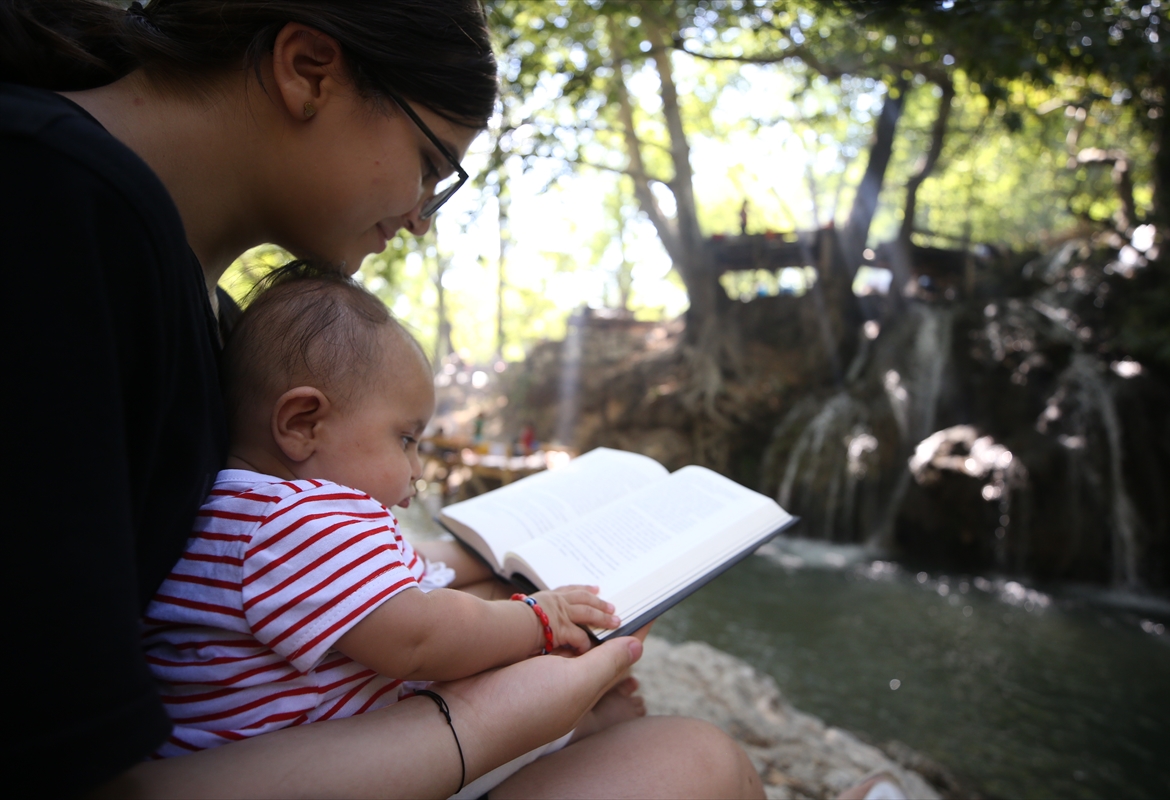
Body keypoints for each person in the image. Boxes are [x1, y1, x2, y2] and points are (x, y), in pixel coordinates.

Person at [3, 1, 764, 797]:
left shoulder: (199, 299)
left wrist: (462, 569)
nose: (421, 221)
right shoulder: (47, 206)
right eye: (432, 167)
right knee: (696, 765)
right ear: (308, 71)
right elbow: (65, 767)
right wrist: (490, 719)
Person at [144, 263, 626, 761]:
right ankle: (587, 725)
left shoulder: (236, 509)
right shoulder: (300, 520)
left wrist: (499, 556)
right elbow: (420, 638)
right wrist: (541, 617)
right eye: (405, 439)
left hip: (265, 750)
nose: (417, 468)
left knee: (490, 601)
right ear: (302, 424)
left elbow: (408, 569)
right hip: (308, 764)